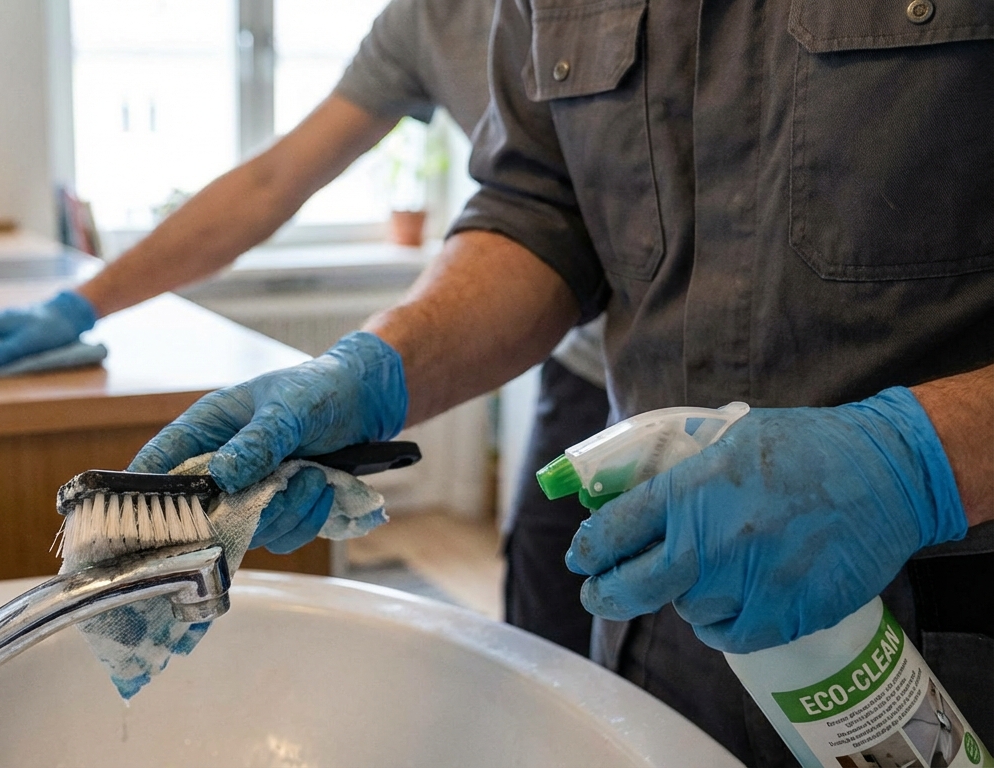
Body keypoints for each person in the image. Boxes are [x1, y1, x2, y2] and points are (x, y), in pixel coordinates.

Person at [127, 1, 994, 766]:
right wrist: (376, 369)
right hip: (666, 624)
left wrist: (918, 459)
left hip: (950, 635)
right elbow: (542, 213)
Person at [0, 0, 610, 656]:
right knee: (555, 607)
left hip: (690, 372)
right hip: (587, 359)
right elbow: (273, 182)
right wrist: (82, 304)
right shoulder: (424, 22)